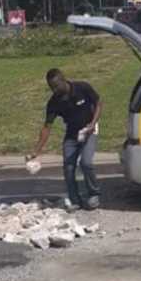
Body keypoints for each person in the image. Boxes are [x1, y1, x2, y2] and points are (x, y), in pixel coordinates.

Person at [28, 69, 103, 212]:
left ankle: (94, 194)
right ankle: (75, 200)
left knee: (86, 162)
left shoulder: (82, 88)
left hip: (89, 130)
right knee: (68, 167)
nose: (54, 90)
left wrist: (93, 123)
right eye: (51, 87)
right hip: (72, 134)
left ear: (63, 80)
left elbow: (99, 102)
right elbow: (47, 127)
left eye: (56, 86)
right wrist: (36, 151)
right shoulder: (54, 102)